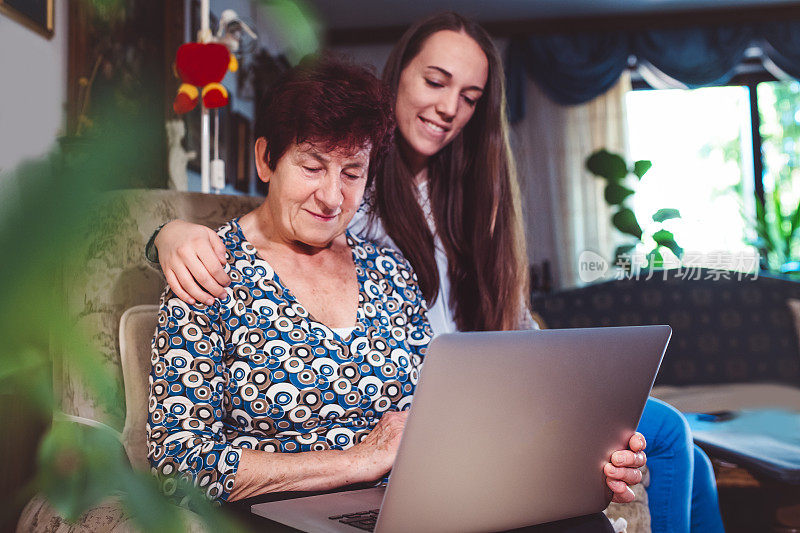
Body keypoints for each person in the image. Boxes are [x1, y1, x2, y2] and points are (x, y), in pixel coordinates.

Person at [148, 13, 723, 532]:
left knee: (589, 521)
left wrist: (576, 450)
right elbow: (178, 460)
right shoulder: (212, 270)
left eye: (352, 172)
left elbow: (442, 410)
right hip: (284, 511)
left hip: (405, 498)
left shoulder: (391, 267)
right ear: (267, 159)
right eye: (312, 165)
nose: (331, 194)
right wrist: (164, 234)